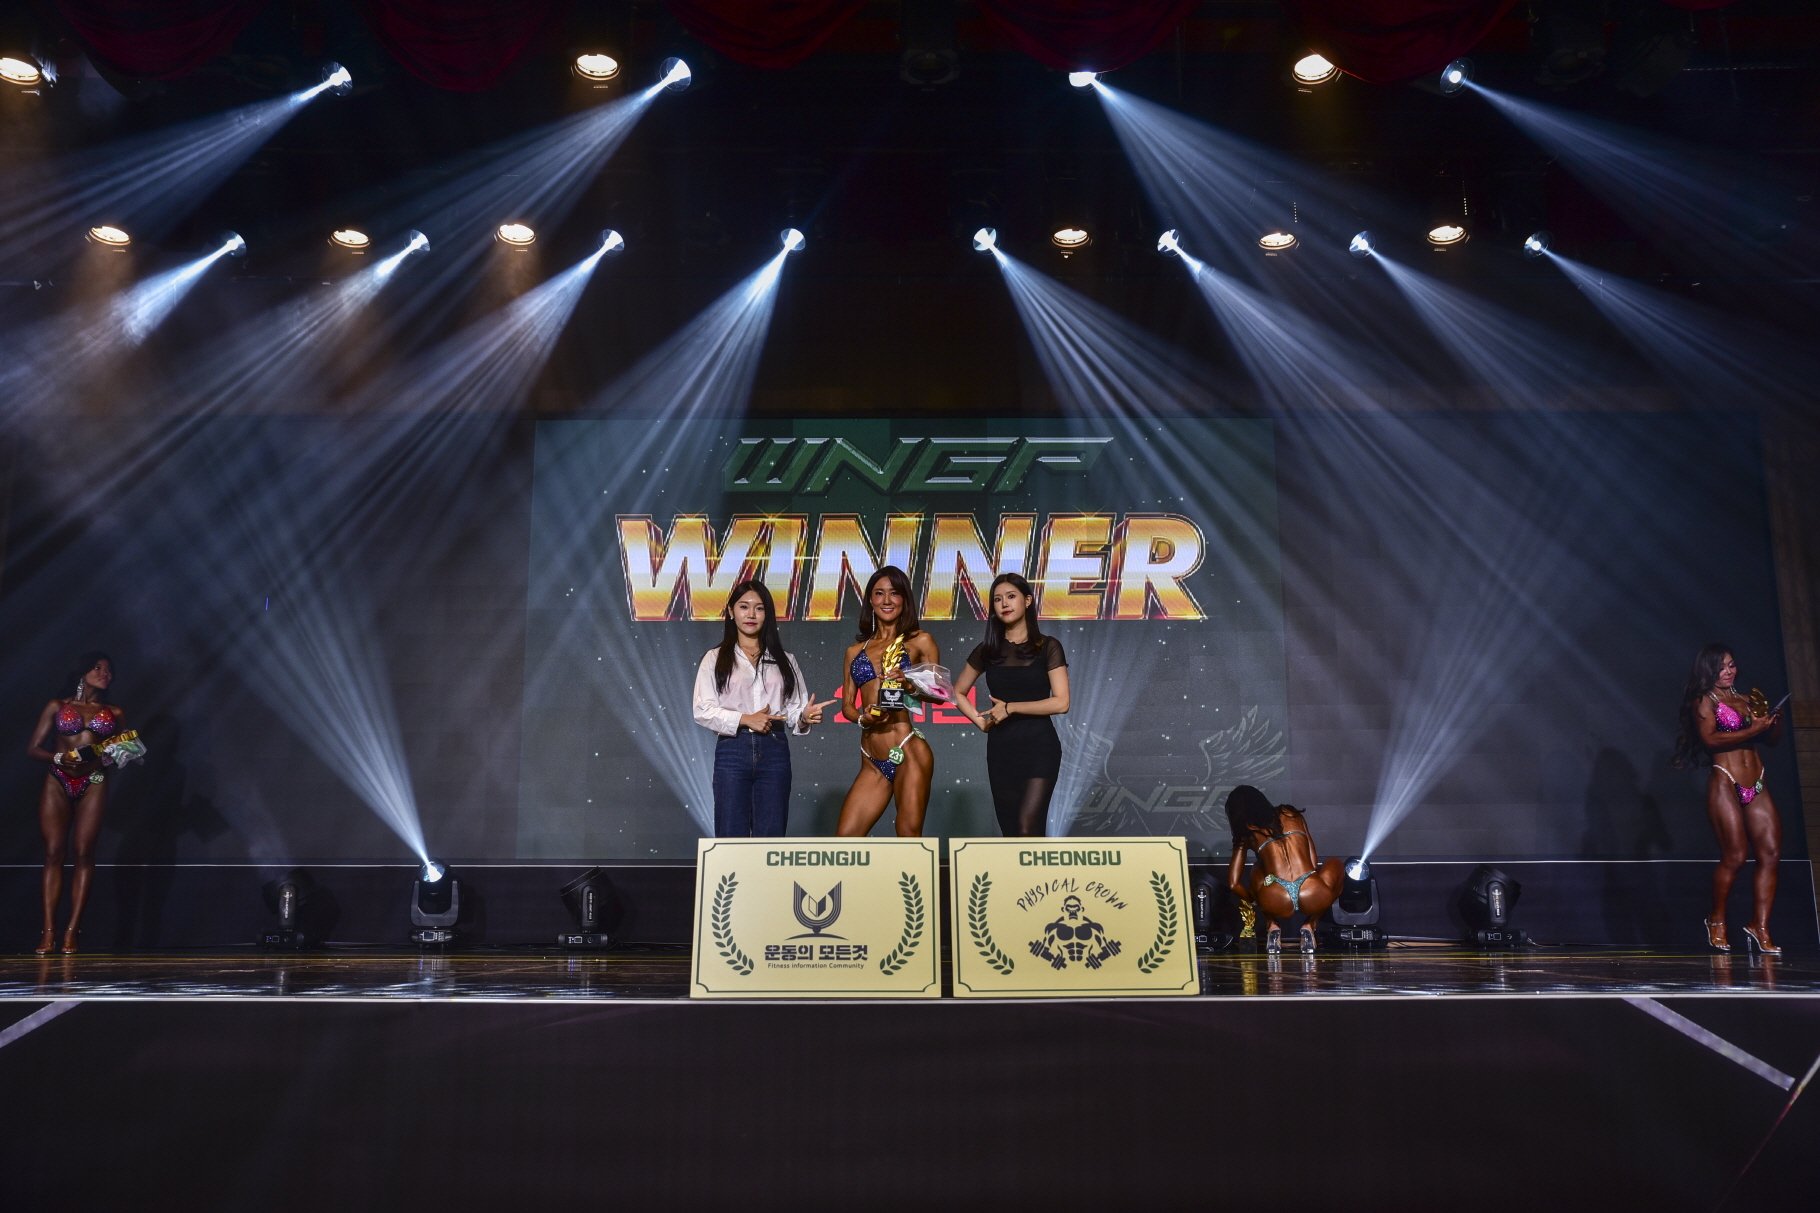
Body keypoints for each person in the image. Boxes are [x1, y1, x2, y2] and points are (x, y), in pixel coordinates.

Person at [692, 581, 830, 837]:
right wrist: (745, 719)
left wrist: (804, 716)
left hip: (774, 748)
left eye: (759, 608)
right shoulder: (715, 658)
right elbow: (703, 710)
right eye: (744, 607)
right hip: (733, 748)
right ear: (731, 611)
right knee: (730, 832)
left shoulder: (785, 660)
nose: (751, 614)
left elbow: (794, 710)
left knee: (771, 834)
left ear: (767, 614)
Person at [1673, 643, 1785, 953]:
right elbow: (1710, 740)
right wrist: (1754, 730)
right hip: (1725, 781)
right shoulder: (1704, 702)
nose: (1728, 672)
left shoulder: (1748, 700)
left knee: (1771, 854)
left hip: (1757, 781)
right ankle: (1716, 920)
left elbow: (1771, 741)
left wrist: (1774, 723)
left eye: (1731, 665)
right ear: (1708, 671)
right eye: (1721, 667)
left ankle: (1760, 926)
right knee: (1735, 856)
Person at [953, 573, 1070, 837]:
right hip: (1001, 748)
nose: (1004, 603)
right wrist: (980, 722)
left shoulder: (1048, 647)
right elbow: (957, 692)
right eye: (997, 599)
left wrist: (1010, 707)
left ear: (1027, 601)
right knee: (1011, 833)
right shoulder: (987, 650)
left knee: (1028, 827)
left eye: (1011, 596)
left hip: (1039, 746)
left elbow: (1061, 703)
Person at [27, 652, 125, 955]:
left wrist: (120, 754)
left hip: (93, 780)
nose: (104, 673)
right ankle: (48, 931)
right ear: (82, 672)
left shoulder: (115, 712)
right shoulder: (57, 706)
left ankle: (72, 931)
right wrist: (58, 757)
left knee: (83, 853)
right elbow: (33, 748)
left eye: (109, 670)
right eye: (98, 668)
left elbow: (120, 749)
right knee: (54, 853)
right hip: (57, 779)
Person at [836, 566, 939, 837]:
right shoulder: (854, 651)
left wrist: (909, 684)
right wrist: (862, 717)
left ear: (904, 599)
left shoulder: (921, 641)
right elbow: (847, 706)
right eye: (879, 593)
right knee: (845, 839)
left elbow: (939, 694)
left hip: (907, 749)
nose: (886, 600)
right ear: (870, 600)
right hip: (871, 758)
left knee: (908, 836)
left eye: (894, 593)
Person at [1224, 784, 1344, 954]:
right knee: (1335, 863)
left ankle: (1272, 924)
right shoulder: (1290, 813)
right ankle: (1310, 924)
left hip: (1276, 899)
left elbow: (1233, 883)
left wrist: (1257, 901)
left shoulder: (1246, 834)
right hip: (1312, 892)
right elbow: (1312, 861)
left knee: (1258, 868)